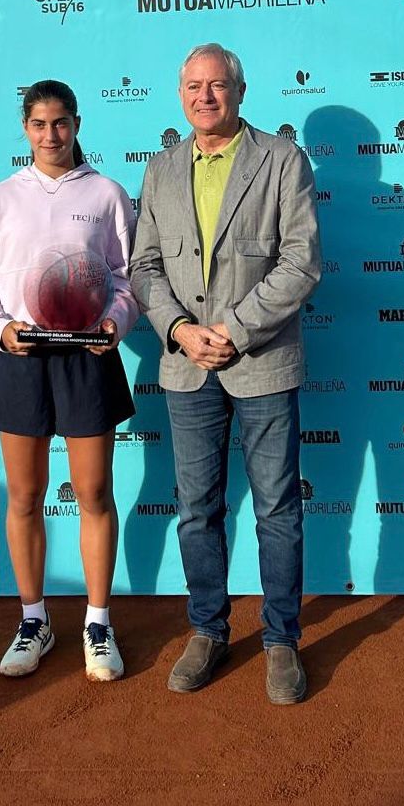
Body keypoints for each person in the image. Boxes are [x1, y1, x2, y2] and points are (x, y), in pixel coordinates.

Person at [129, 44, 321, 703]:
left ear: (240, 91)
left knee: (276, 507)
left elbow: (300, 263)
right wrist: (182, 330)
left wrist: (233, 332)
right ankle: (208, 629)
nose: (204, 96)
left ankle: (281, 640)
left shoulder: (283, 160)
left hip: (261, 362)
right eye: (192, 85)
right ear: (179, 93)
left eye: (217, 85)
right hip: (186, 368)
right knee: (196, 509)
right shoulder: (159, 171)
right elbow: (143, 267)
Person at [0, 80, 138, 682]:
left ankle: (97, 622)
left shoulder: (108, 195)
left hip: (88, 359)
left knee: (92, 495)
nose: (50, 135)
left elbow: (128, 277)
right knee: (24, 496)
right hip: (21, 361)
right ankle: (34, 618)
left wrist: (114, 322)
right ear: (24, 128)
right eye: (38, 124)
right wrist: (1, 331)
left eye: (60, 123)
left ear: (77, 124)